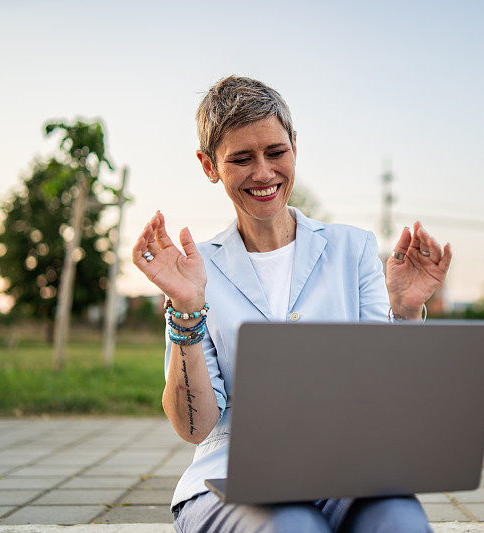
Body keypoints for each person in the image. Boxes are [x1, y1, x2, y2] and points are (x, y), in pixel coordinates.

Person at [132, 75, 453, 533]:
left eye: (276, 153)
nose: (263, 173)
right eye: (241, 159)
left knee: (400, 521)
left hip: (346, 472)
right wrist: (186, 309)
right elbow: (194, 427)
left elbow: (386, 404)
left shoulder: (353, 249)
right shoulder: (194, 271)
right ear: (208, 165)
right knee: (294, 527)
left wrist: (403, 313)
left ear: (295, 147)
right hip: (229, 478)